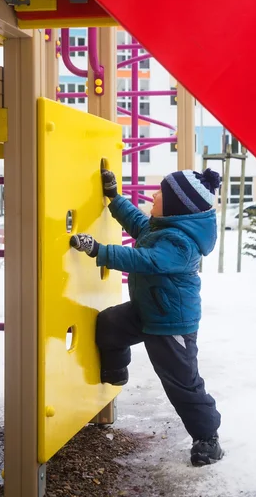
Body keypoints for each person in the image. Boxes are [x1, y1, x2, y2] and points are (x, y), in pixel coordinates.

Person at [70, 168, 223, 466]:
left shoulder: (180, 243)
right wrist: (114, 199)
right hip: (147, 309)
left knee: (182, 383)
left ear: (177, 206)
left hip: (171, 323)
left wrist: (98, 250)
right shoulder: (162, 227)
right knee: (109, 325)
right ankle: (116, 371)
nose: (153, 195)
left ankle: (207, 438)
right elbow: (138, 223)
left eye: (161, 194)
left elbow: (146, 260)